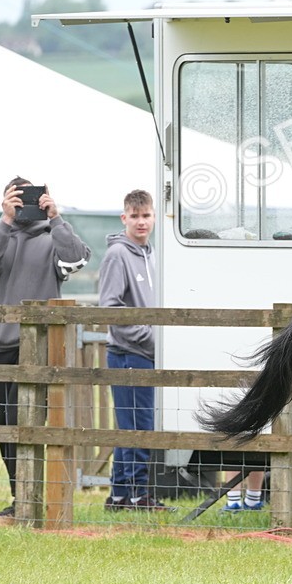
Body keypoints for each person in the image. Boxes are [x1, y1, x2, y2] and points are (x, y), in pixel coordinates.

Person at [0, 178, 91, 525]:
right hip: (2, 348)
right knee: (5, 425)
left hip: (41, 350)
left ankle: (31, 501)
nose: (25, 204)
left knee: (32, 426)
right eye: (17, 198)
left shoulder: (55, 237)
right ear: (6, 199)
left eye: (31, 198)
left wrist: (56, 218)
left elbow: (76, 258)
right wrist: (4, 221)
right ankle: (19, 500)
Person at [100, 189, 168, 511]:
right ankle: (136, 495)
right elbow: (111, 309)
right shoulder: (118, 255)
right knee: (136, 429)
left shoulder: (154, 255)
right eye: (135, 216)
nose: (142, 222)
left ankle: (120, 496)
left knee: (136, 427)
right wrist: (152, 337)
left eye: (146, 215)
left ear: (154, 217)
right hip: (128, 353)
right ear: (124, 218)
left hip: (147, 355)